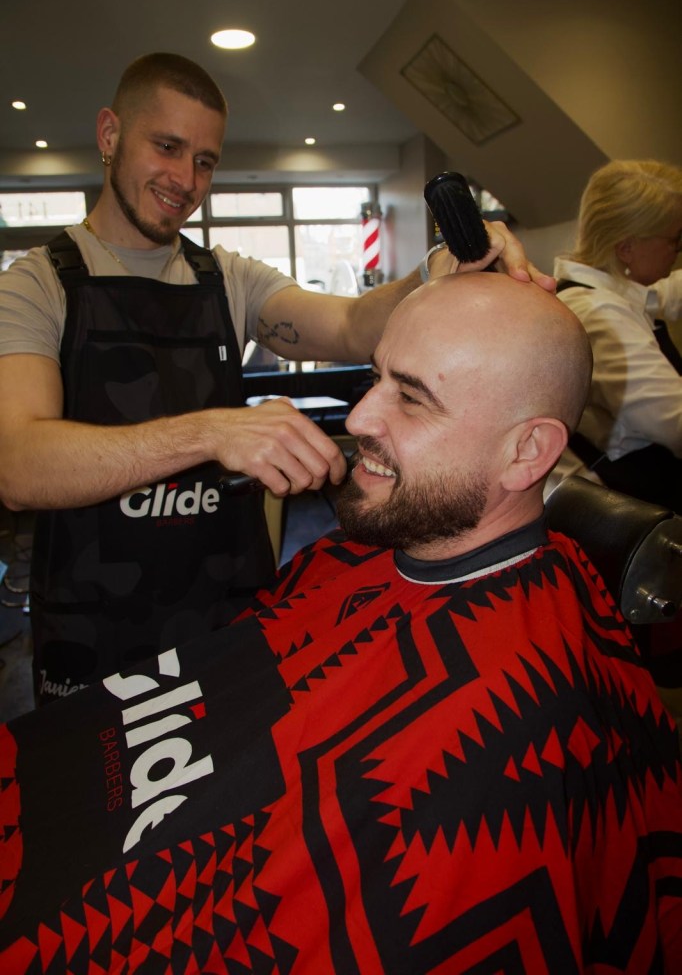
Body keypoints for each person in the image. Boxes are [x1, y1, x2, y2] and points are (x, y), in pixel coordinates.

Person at [0, 273, 680, 974]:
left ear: (527, 452)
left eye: (411, 397)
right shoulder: (352, 559)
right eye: (377, 377)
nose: (358, 419)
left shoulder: (507, 732)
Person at [0, 53, 554, 707]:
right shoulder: (36, 286)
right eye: (167, 147)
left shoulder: (227, 279)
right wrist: (212, 433)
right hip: (95, 624)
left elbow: (349, 325)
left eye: (205, 161)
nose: (186, 179)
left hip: (222, 608)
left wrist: (438, 268)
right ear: (109, 134)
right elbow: (18, 463)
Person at [552, 158, 682, 510]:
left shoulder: (596, 291)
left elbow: (663, 296)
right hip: (648, 490)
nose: (677, 251)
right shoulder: (602, 315)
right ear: (627, 248)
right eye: (674, 239)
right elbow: (675, 423)